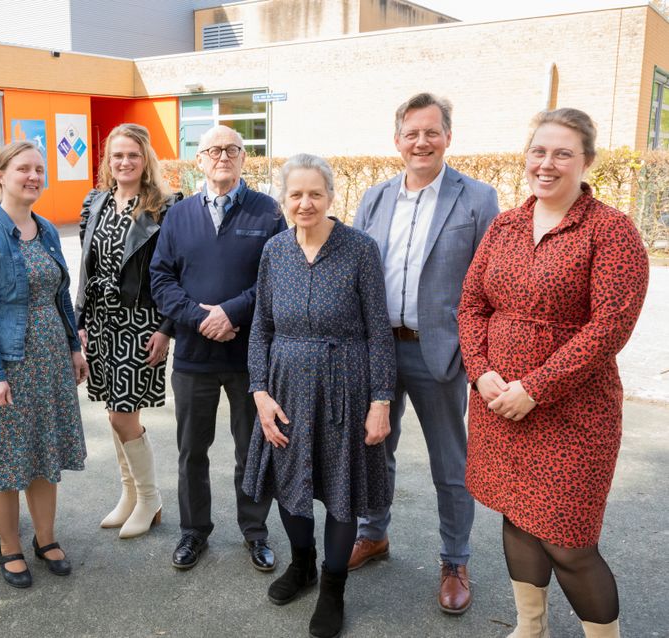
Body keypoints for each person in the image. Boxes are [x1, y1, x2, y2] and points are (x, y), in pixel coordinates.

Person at [458, 108, 649, 638]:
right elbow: (472, 305)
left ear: (586, 161)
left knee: (569, 541)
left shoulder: (611, 231)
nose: (547, 163)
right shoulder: (506, 225)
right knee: (517, 517)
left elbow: (610, 326)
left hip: (573, 414)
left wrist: (536, 389)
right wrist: (480, 372)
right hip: (498, 405)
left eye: (563, 153)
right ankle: (530, 628)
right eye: (539, 151)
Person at [350, 92, 500, 614]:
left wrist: (477, 355)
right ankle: (373, 534)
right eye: (411, 133)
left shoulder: (477, 198)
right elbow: (356, 270)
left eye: (431, 132)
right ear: (397, 141)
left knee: (450, 464)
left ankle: (455, 559)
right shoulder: (374, 197)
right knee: (374, 449)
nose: (421, 142)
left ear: (448, 137)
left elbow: (489, 285)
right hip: (377, 348)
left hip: (441, 352)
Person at [242, 154, 394, 638]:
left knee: (340, 490)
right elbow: (260, 328)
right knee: (289, 480)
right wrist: (260, 392)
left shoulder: (360, 249)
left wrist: (380, 401)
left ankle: (333, 588)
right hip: (284, 387)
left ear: (331, 197)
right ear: (284, 199)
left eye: (315, 194)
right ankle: (302, 563)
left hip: (345, 389)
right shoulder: (274, 251)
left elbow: (378, 333)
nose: (304, 203)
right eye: (295, 194)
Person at [151, 124, 286, 572]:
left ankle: (255, 532)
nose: (222, 156)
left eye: (232, 149)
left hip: (250, 357)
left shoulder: (267, 213)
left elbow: (274, 279)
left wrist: (231, 313)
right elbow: (161, 280)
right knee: (192, 449)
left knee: (251, 448)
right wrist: (201, 319)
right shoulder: (178, 215)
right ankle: (194, 532)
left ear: (245, 158)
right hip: (193, 356)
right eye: (213, 149)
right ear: (199, 160)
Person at [0, 140, 88, 589]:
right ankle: (9, 545)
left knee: (43, 453)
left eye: (38, 170)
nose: (33, 177)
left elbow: (60, 297)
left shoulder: (47, 229)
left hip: (49, 364)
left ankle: (45, 539)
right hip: (5, 368)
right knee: (4, 463)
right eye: (23, 169)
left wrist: (73, 347)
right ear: (1, 176)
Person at [75, 123, 182, 538]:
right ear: (109, 160)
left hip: (141, 324)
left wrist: (166, 328)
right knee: (114, 412)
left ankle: (150, 498)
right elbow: (87, 268)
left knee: (123, 416)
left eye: (132, 155)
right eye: (117, 155)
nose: (124, 162)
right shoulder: (96, 202)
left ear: (145, 159)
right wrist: (80, 322)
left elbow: (176, 272)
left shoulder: (164, 207)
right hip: (102, 322)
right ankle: (130, 495)